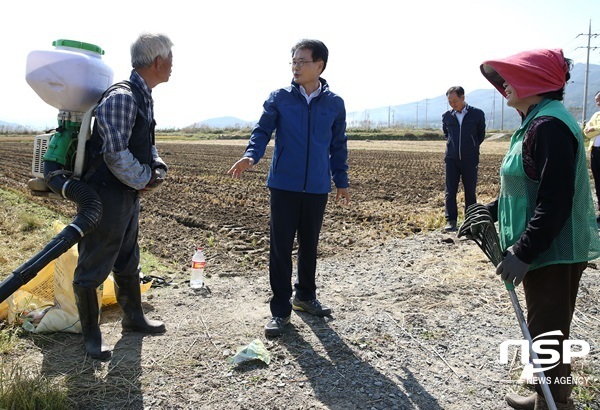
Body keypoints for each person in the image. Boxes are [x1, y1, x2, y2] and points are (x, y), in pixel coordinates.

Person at [480, 49, 600, 410]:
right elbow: (526, 185)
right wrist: (491, 211)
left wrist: (525, 249)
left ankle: (553, 403)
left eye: (510, 78)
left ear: (537, 81)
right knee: (546, 325)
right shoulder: (537, 121)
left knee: (548, 328)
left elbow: (556, 198)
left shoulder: (549, 126)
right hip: (546, 244)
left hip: (553, 247)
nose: (504, 86)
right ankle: (545, 395)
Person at [227, 39, 350, 337]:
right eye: (293, 61)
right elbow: (262, 130)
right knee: (281, 248)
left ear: (319, 65)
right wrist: (251, 155)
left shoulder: (334, 103)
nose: (296, 66)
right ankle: (280, 310)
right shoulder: (280, 97)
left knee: (309, 244)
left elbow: (338, 144)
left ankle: (305, 297)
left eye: (302, 61)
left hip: (318, 186)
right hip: (284, 184)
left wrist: (341, 181)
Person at [73, 32, 174, 360]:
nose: (173, 65)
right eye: (170, 58)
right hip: (106, 193)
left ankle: (133, 319)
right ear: (157, 61)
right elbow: (115, 153)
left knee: (127, 256)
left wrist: (156, 166)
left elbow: (143, 142)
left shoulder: (143, 95)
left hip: (126, 193)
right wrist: (145, 178)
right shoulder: (123, 97)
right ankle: (91, 336)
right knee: (94, 262)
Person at [442, 86, 486, 232]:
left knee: (470, 190)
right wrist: (453, 147)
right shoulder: (447, 116)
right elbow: (446, 134)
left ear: (463, 97)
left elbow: (480, 135)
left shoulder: (477, 114)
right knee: (450, 191)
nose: (453, 104)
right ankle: (451, 221)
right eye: (450, 101)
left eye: (455, 100)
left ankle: (471, 222)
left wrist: (471, 147)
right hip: (451, 159)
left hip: (470, 158)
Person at [583, 91, 600, 218]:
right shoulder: (596, 115)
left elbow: (592, 129)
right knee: (598, 181)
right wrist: (593, 129)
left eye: (599, 99)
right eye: (596, 100)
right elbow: (586, 131)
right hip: (595, 151)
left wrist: (594, 128)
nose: (597, 103)